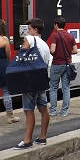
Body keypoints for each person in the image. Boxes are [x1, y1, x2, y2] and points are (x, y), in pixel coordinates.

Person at [15, 17, 51, 149]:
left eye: (29, 29)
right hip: (42, 80)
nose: (27, 31)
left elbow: (22, 57)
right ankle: (42, 137)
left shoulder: (29, 39)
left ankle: (27, 140)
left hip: (30, 80)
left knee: (28, 110)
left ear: (35, 30)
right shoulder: (45, 45)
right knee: (43, 108)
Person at [47, 16, 78, 117]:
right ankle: (64, 111)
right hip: (67, 65)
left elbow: (52, 50)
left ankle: (53, 110)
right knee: (66, 88)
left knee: (53, 88)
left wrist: (56, 54)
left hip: (56, 64)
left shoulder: (54, 36)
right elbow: (75, 50)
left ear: (56, 25)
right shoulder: (70, 36)